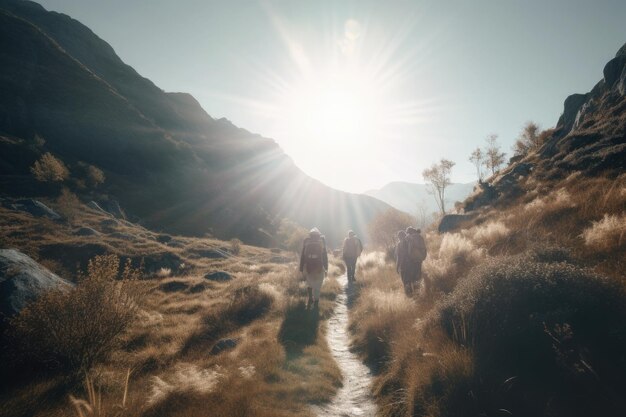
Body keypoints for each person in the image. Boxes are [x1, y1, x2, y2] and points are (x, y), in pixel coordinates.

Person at [299, 227, 328, 308]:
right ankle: (316, 302)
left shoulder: (306, 241)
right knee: (318, 284)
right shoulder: (322, 241)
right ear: (319, 235)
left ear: (310, 235)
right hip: (319, 266)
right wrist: (326, 267)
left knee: (309, 282)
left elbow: (303, 255)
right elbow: (325, 255)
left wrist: (301, 268)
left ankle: (310, 298)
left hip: (308, 265)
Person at [400, 227, 427, 296]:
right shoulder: (420, 237)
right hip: (419, 259)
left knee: (412, 277)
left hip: (412, 261)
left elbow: (407, 251)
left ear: (409, 232)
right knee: (418, 276)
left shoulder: (409, 237)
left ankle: (415, 294)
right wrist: (422, 257)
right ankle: (418, 292)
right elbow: (424, 249)